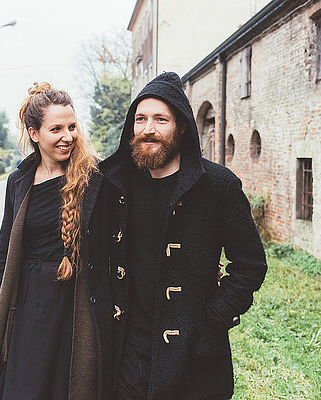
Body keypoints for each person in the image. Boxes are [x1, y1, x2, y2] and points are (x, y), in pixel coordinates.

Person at [98, 71, 268, 399]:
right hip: (128, 353)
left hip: (193, 354)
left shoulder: (218, 186)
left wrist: (214, 320)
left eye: (161, 119)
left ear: (182, 127)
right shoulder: (113, 183)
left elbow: (250, 264)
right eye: (140, 119)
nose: (148, 129)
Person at [0, 83, 119, 400]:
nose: (68, 136)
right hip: (27, 305)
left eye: (71, 126)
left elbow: (118, 246)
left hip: (75, 305)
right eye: (56, 129)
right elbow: (4, 254)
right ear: (34, 133)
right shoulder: (19, 181)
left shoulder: (95, 180)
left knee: (68, 386)